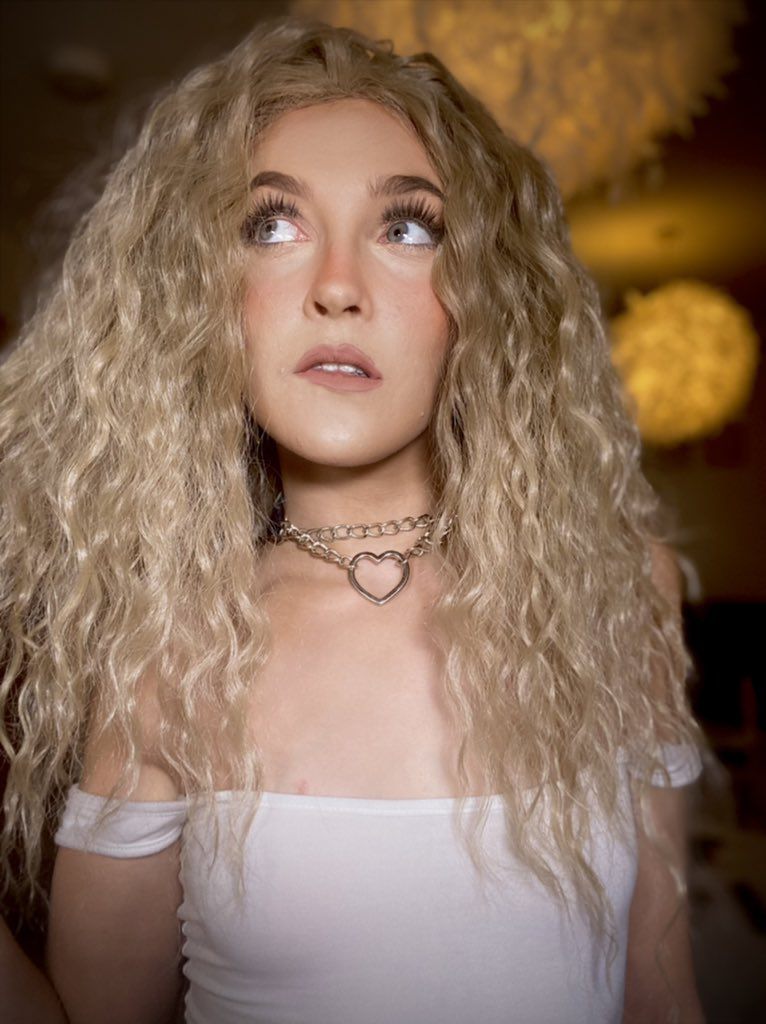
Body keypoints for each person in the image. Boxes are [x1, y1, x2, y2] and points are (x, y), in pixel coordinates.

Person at [0, 16, 706, 1024]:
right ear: (203, 299)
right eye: (270, 226)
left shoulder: (619, 590)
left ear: (484, 295)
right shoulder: (171, 648)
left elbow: (662, 993)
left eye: (407, 228)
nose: (337, 287)